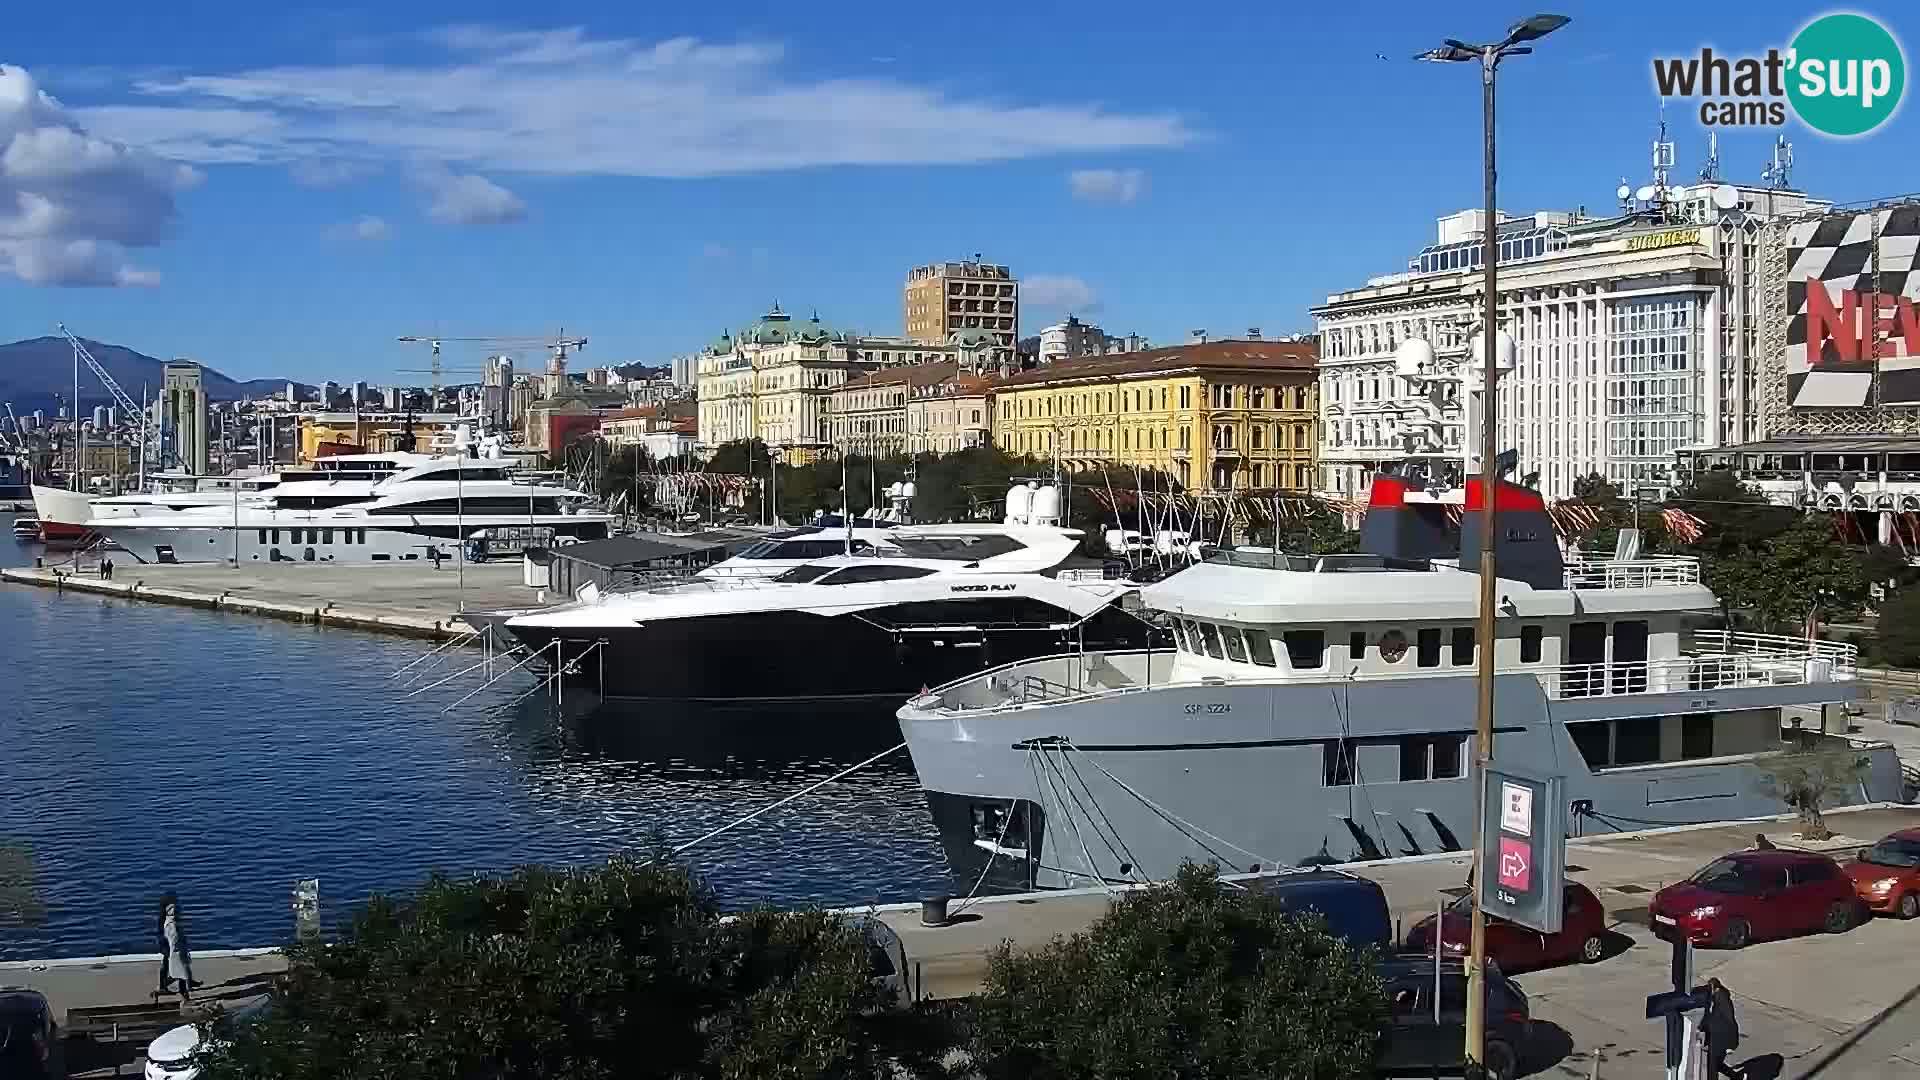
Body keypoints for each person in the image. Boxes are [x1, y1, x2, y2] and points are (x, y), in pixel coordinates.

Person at [156, 893, 195, 1001]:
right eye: (171, 908)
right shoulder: (166, 921)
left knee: (177, 968)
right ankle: (167, 987)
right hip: (170, 948)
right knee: (174, 968)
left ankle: (181, 987)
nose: (173, 909)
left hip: (174, 948)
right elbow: (165, 936)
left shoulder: (173, 919)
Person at [1703, 977, 1741, 1078]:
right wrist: (1702, 1030)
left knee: (1712, 1067)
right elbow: (1709, 1018)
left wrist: (1732, 1044)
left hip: (1720, 1039)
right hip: (1715, 1037)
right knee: (1717, 1065)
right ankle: (1737, 1077)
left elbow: (1731, 1021)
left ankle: (1737, 1076)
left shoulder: (1723, 1000)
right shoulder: (1715, 999)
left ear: (1716, 988)